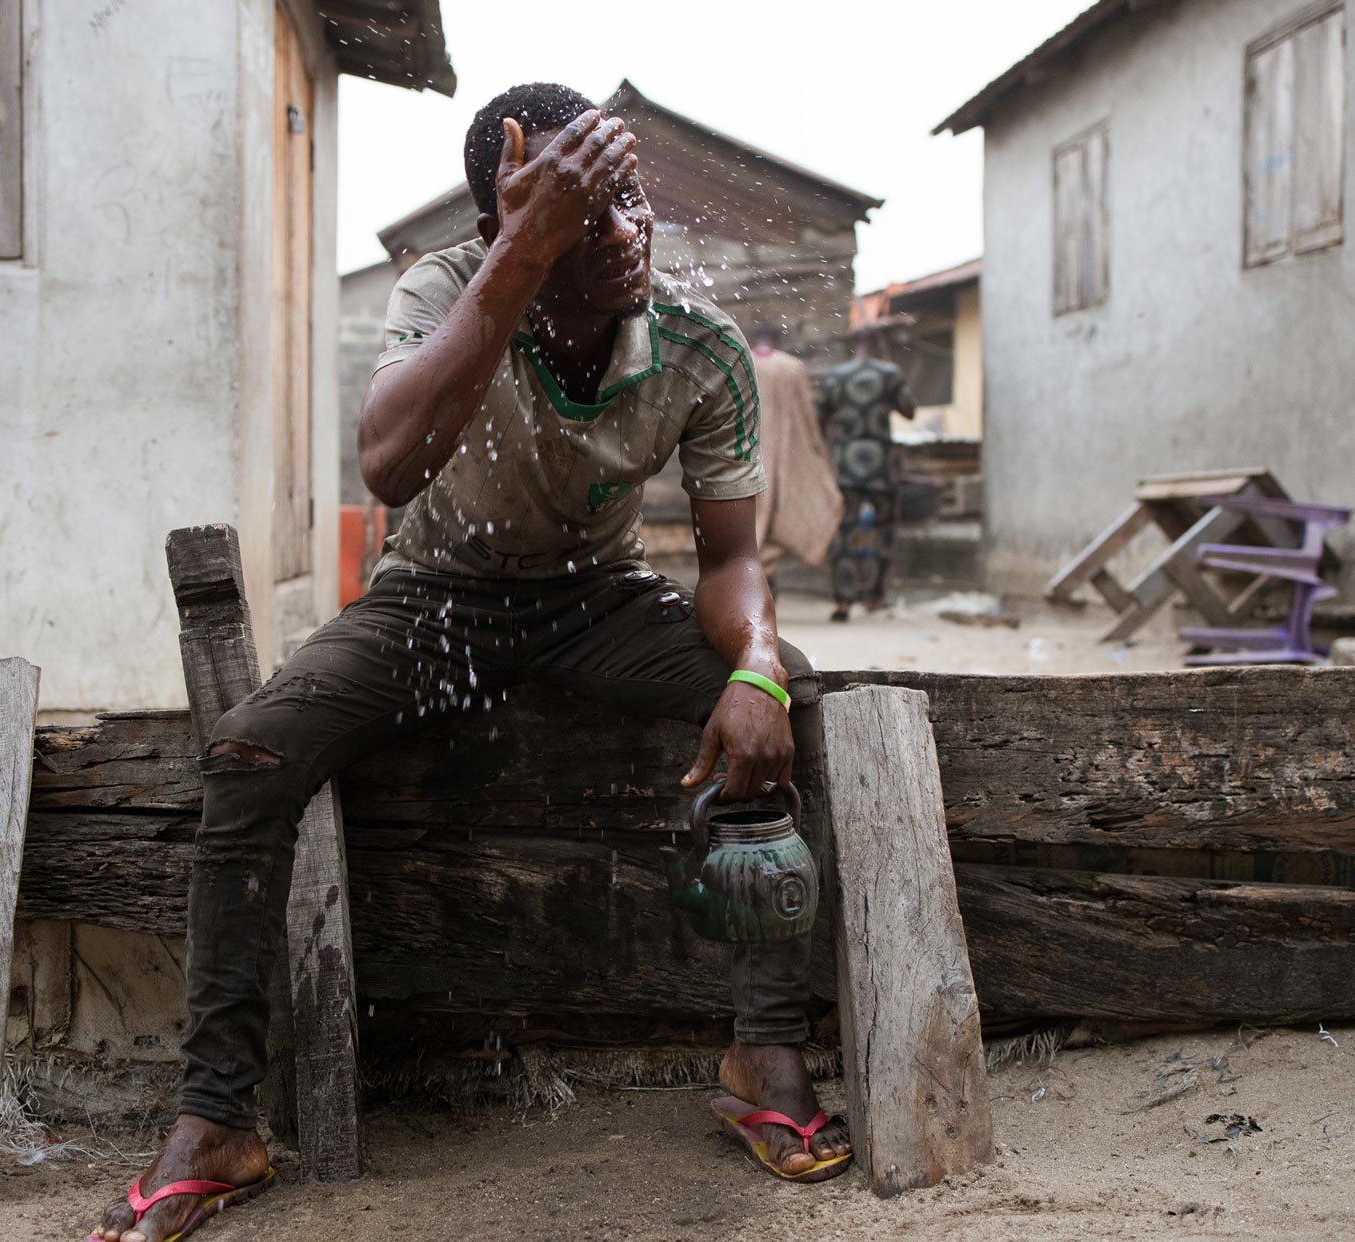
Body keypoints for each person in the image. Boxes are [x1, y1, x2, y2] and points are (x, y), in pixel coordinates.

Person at [92, 82, 851, 1242]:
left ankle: (765, 1051)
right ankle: (218, 1120)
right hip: (434, 598)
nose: (627, 231)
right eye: (581, 211)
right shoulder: (446, 288)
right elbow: (391, 467)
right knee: (249, 756)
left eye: (629, 199)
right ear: (504, 225)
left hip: (594, 599)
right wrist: (525, 249)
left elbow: (732, 557)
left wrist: (751, 664)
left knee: (775, 694)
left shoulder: (696, 347)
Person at [819, 323, 916, 620]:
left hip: (846, 461)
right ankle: (874, 597)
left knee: (844, 529)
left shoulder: (836, 376)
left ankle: (843, 601)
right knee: (883, 530)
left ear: (854, 343)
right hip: (881, 464)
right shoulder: (889, 374)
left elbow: (819, 418)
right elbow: (909, 411)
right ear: (878, 342)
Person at [749, 325, 842, 587]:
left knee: (753, 520)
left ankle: (757, 580)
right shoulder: (792, 367)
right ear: (777, 341)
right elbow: (806, 417)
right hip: (783, 457)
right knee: (779, 516)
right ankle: (765, 580)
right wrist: (817, 454)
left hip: (746, 456)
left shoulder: (741, 360)